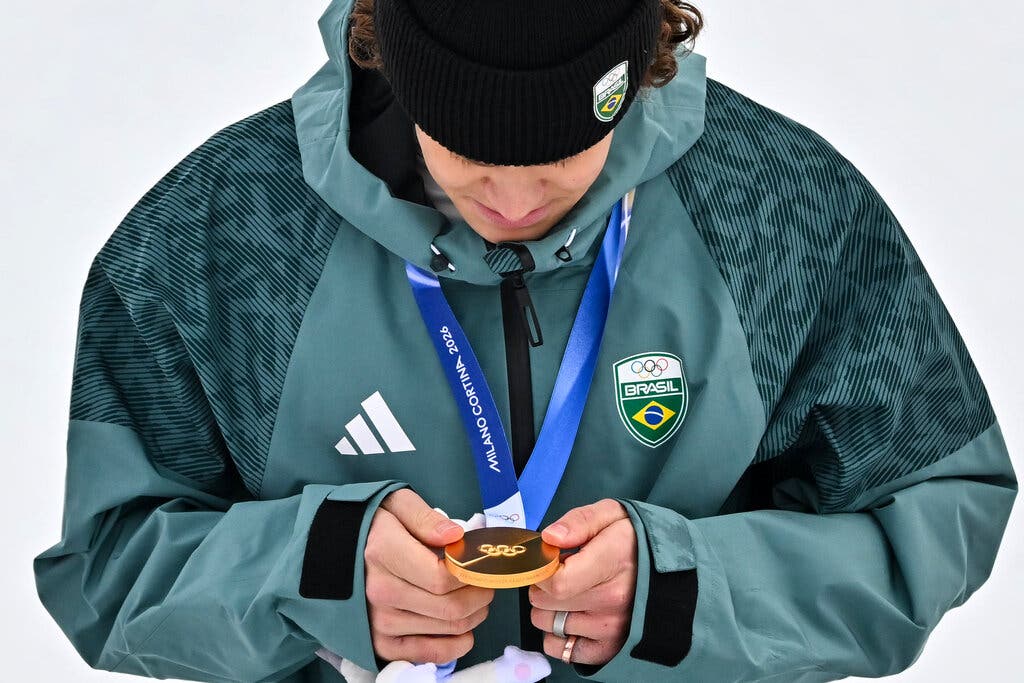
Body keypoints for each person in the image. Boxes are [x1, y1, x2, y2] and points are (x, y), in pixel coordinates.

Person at [33, 0, 1017, 681]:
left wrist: (686, 590)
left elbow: (937, 512)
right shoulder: (221, 229)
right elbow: (107, 572)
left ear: (637, 76)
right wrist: (315, 568)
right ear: (399, 75)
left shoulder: (781, 207)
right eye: (468, 153)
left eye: (558, 158)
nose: (512, 202)